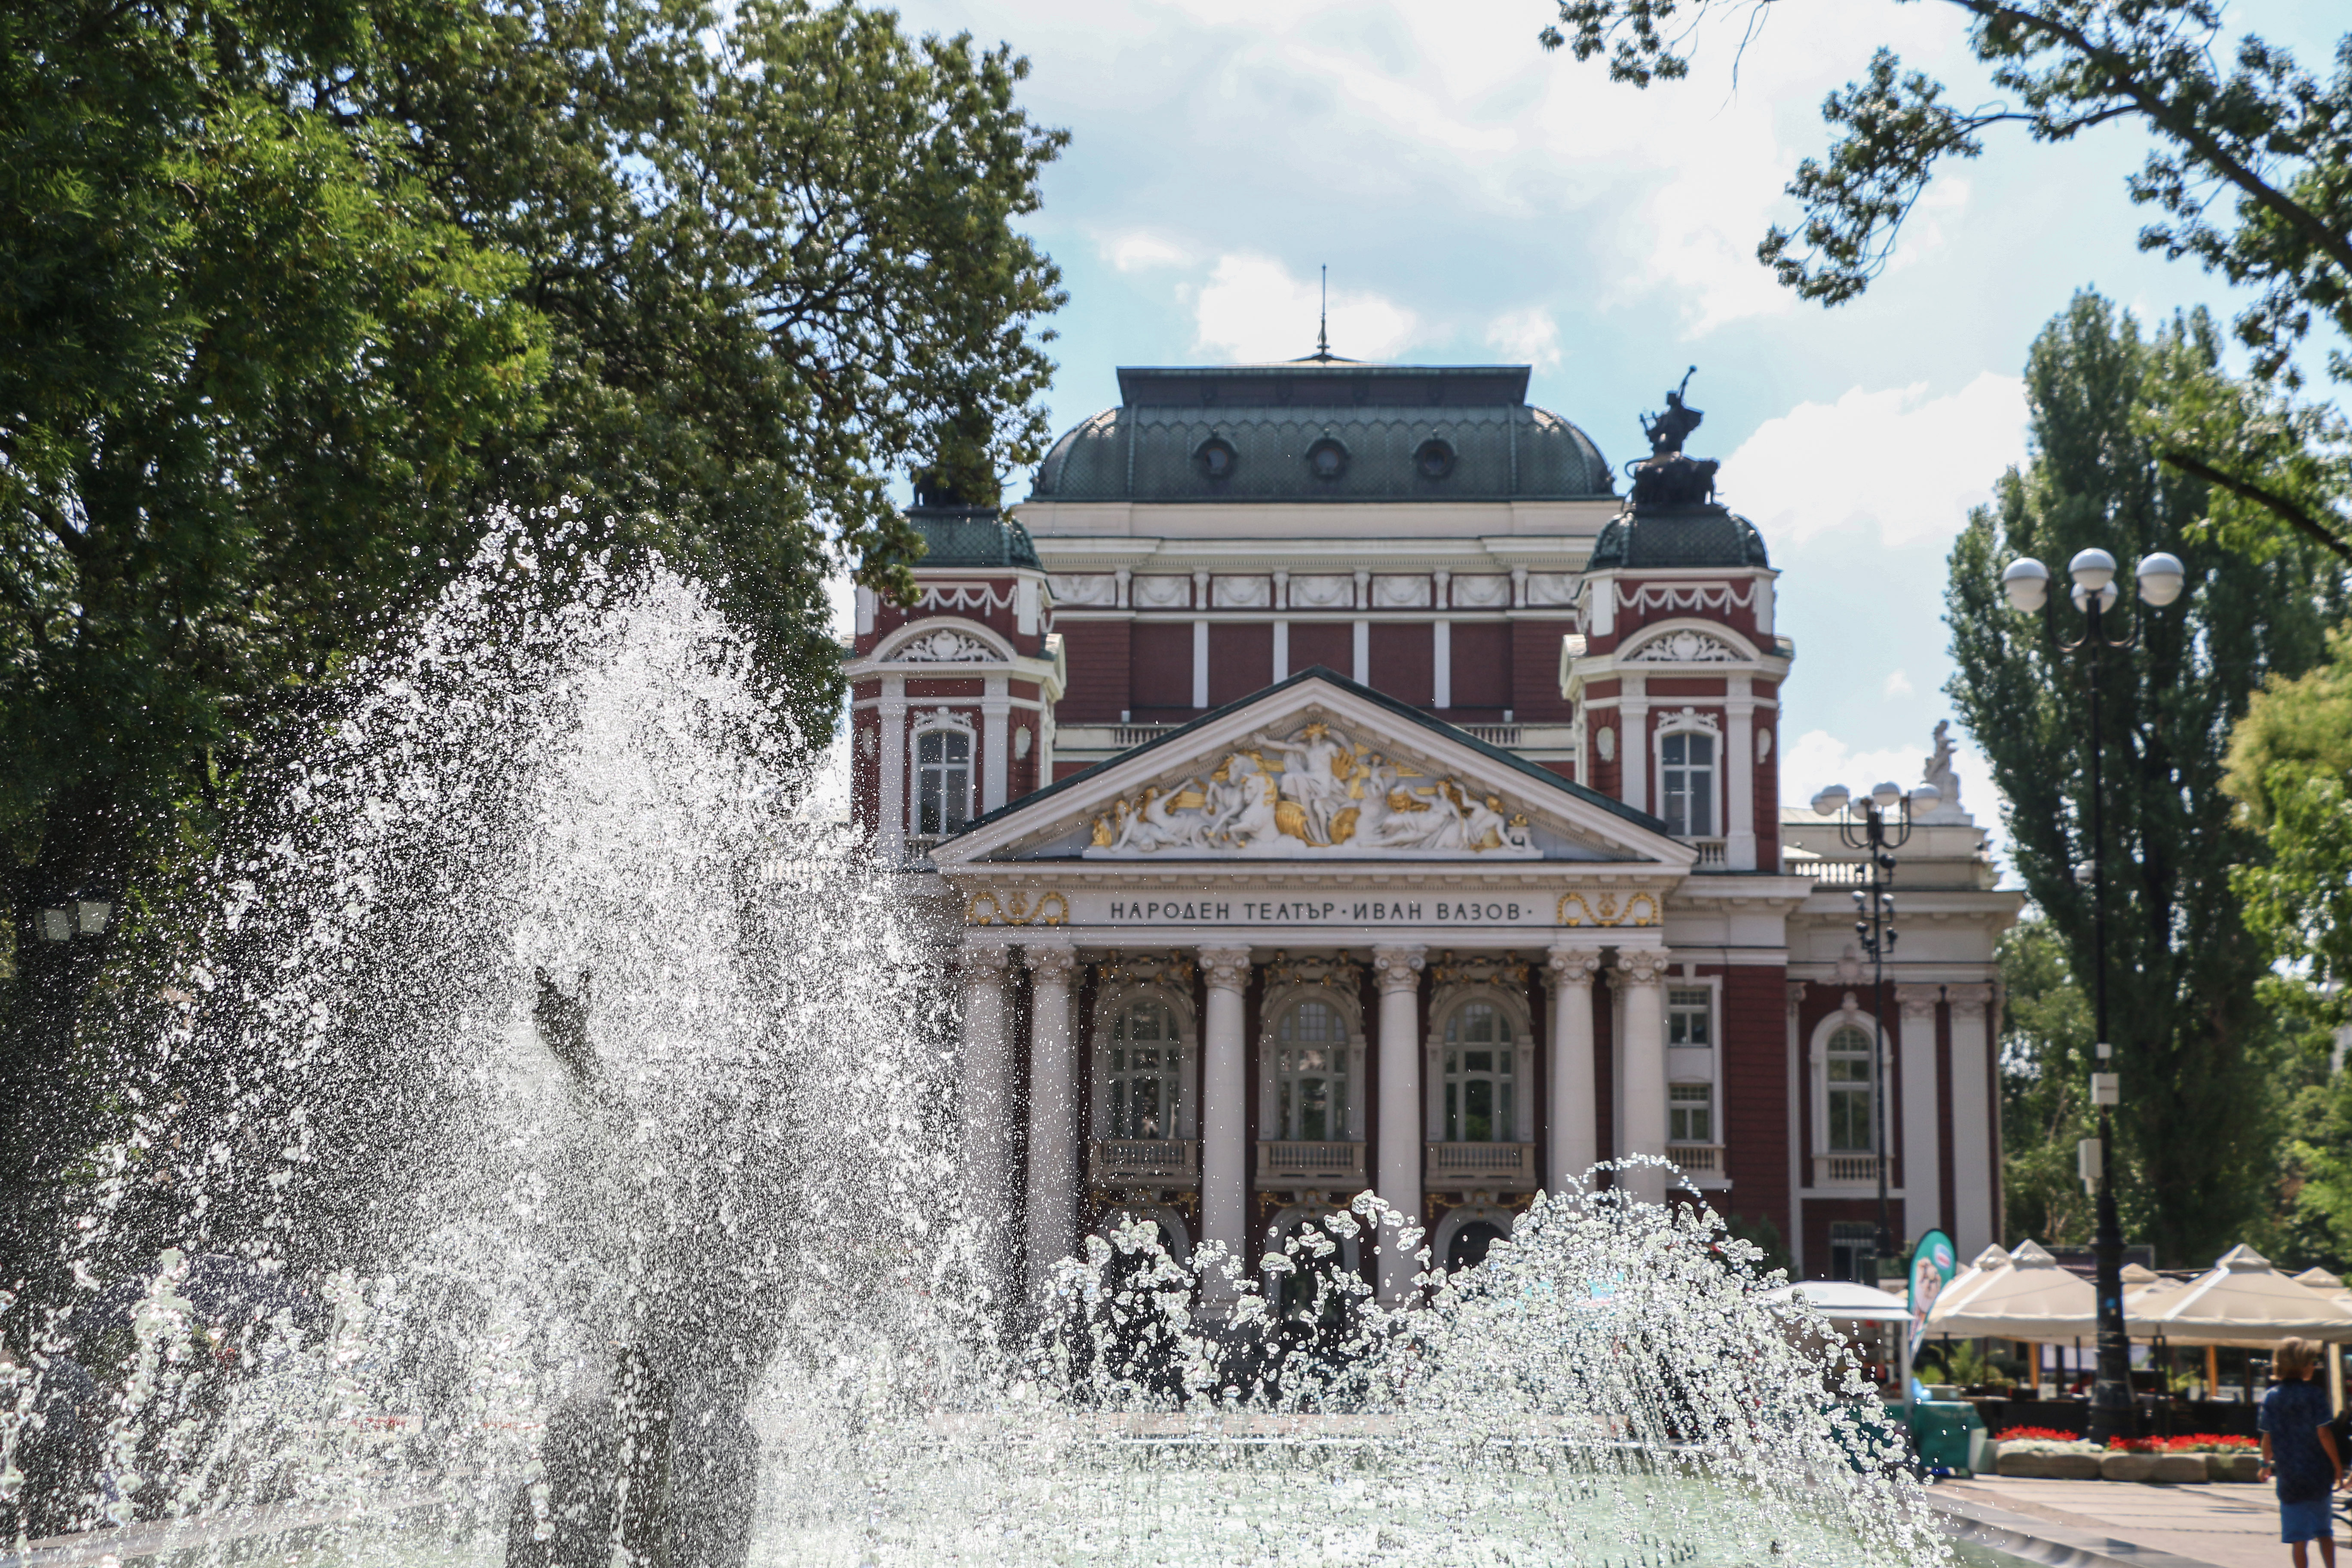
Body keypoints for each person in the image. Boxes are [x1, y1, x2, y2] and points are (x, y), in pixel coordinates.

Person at [2260, 1338, 2343, 1567]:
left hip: (2289, 1477)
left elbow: (2268, 1437)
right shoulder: (2315, 1395)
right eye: (2312, 1362)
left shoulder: (2271, 1397)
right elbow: (2324, 1434)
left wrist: (2265, 1464)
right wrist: (2337, 1466)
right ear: (2304, 1365)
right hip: (2318, 1474)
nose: (2314, 1366)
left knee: (2299, 1539)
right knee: (2324, 1531)